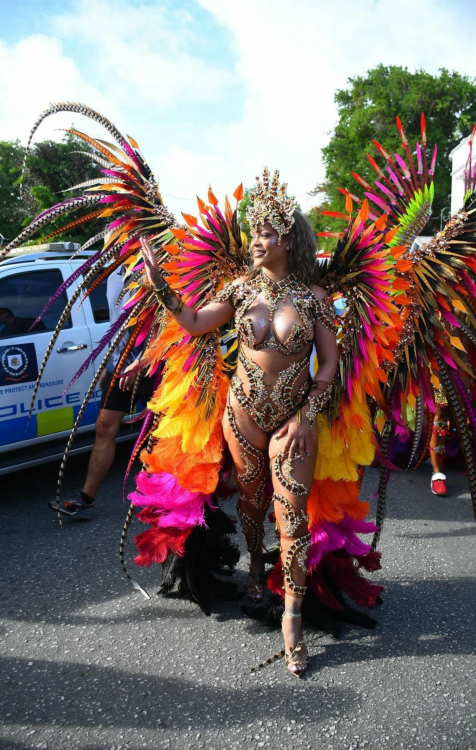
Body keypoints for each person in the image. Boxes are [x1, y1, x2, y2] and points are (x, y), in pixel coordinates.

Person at [138, 191, 338, 677]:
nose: (256, 241)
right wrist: (162, 289)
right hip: (242, 415)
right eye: (254, 233)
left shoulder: (314, 299)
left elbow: (329, 364)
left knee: (291, 519)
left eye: (266, 233)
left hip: (294, 420)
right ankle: (253, 563)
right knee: (251, 505)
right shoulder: (240, 290)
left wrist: (306, 415)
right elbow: (194, 322)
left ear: (288, 239)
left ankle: (292, 620)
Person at [49, 266, 153, 520]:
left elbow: (168, 321)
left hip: (154, 364)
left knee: (160, 435)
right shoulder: (116, 270)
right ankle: (86, 498)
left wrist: (140, 360)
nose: (111, 237)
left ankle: (165, 500)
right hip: (120, 363)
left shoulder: (157, 260)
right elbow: (118, 320)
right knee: (104, 427)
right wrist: (111, 365)